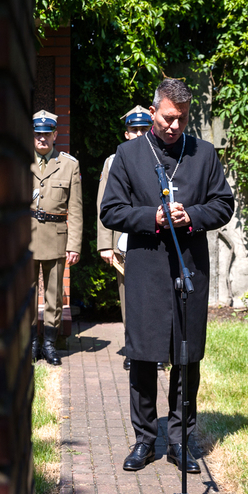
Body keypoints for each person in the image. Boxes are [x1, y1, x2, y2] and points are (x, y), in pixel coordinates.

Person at [100, 79, 234, 473]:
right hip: (146, 269)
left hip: (190, 268)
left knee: (186, 357)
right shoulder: (128, 154)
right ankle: (144, 440)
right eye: (168, 118)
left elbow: (223, 204)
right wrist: (153, 217)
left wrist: (191, 215)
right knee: (143, 356)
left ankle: (180, 440)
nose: (174, 126)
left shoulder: (203, 154)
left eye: (182, 119)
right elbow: (111, 210)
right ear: (153, 111)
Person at [96, 105, 153, 371]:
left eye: (144, 129)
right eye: (134, 129)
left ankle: (154, 350)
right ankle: (134, 350)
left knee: (155, 296)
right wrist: (105, 244)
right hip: (123, 243)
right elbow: (104, 205)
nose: (139, 133)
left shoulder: (161, 156)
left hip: (155, 239)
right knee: (129, 297)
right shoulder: (113, 161)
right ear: (126, 133)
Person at [30, 110, 83, 366]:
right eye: (38, 134)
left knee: (54, 293)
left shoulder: (69, 165)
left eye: (46, 133)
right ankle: (31, 342)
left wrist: (74, 245)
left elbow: (76, 209)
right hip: (27, 238)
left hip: (56, 236)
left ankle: (49, 344)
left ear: (55, 135)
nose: (42, 138)